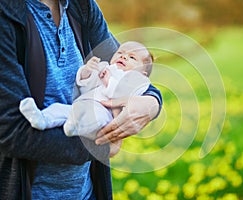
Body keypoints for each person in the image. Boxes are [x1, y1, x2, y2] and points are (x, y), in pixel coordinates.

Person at [0, 0, 162, 200]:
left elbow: (125, 66)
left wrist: (152, 102)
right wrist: (101, 147)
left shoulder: (81, 5)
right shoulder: (5, 14)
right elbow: (9, 132)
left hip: (87, 192)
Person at [19, 41, 153, 141]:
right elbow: (84, 85)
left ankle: (76, 127)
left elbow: (122, 96)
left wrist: (108, 81)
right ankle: (41, 119)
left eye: (132, 57)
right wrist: (87, 71)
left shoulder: (137, 81)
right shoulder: (106, 67)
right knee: (59, 109)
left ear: (143, 72)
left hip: (104, 113)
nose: (123, 57)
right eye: (120, 53)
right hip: (81, 104)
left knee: (93, 119)